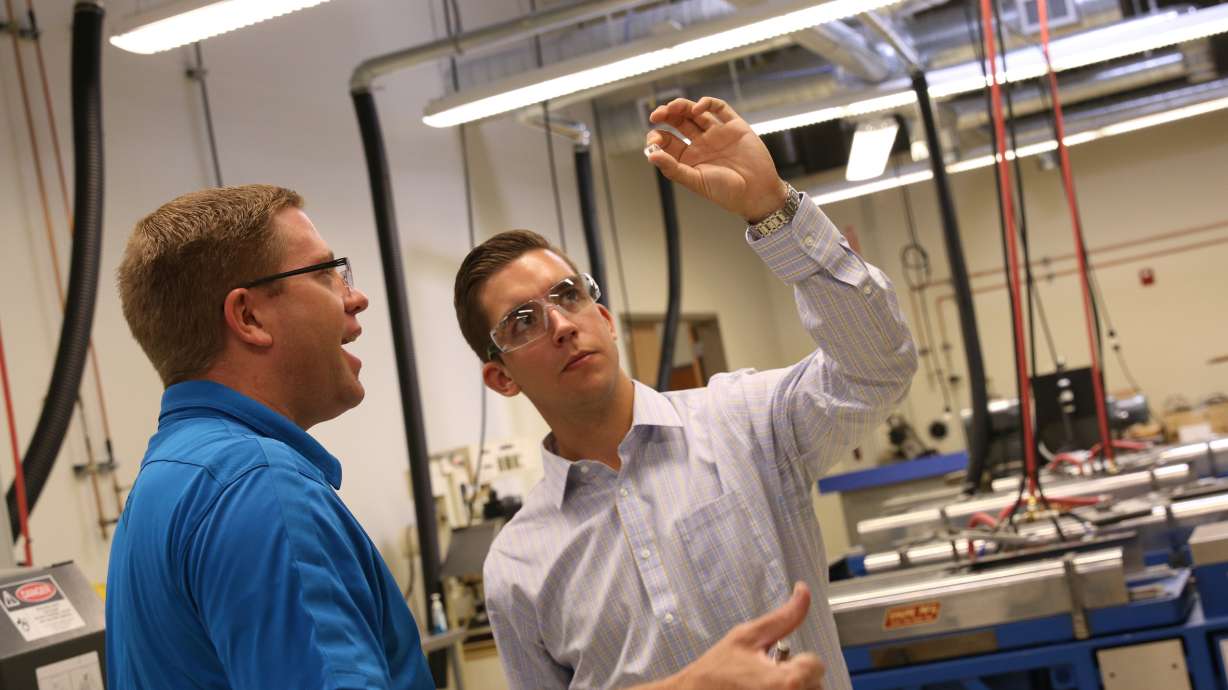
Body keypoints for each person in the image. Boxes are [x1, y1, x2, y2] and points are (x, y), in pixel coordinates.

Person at [452, 97, 918, 690]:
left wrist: (773, 209)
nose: (561, 325)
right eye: (523, 320)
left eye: (567, 296)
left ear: (604, 315)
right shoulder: (518, 566)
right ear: (502, 378)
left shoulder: (745, 425)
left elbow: (879, 367)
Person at [106, 185, 433, 689]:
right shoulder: (258, 485)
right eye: (326, 273)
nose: (356, 297)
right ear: (249, 317)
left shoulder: (168, 483)